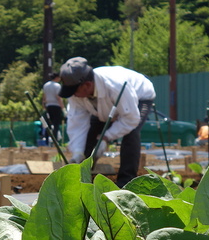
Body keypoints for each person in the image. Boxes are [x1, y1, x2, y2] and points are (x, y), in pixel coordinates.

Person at [59, 56, 156, 187]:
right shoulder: (77, 94)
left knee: (131, 134)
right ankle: (83, 175)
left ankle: (126, 182)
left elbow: (130, 119)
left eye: (74, 91)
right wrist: (77, 153)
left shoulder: (116, 85)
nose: (73, 95)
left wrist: (106, 137)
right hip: (105, 108)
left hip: (139, 98)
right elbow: (78, 124)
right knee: (91, 132)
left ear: (87, 85)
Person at [41, 70, 63, 141]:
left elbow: (44, 97)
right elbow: (58, 97)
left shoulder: (46, 85)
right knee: (56, 123)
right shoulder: (57, 86)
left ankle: (47, 139)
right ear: (56, 77)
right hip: (56, 106)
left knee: (48, 123)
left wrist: (43, 105)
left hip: (48, 106)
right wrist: (62, 107)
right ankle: (55, 140)